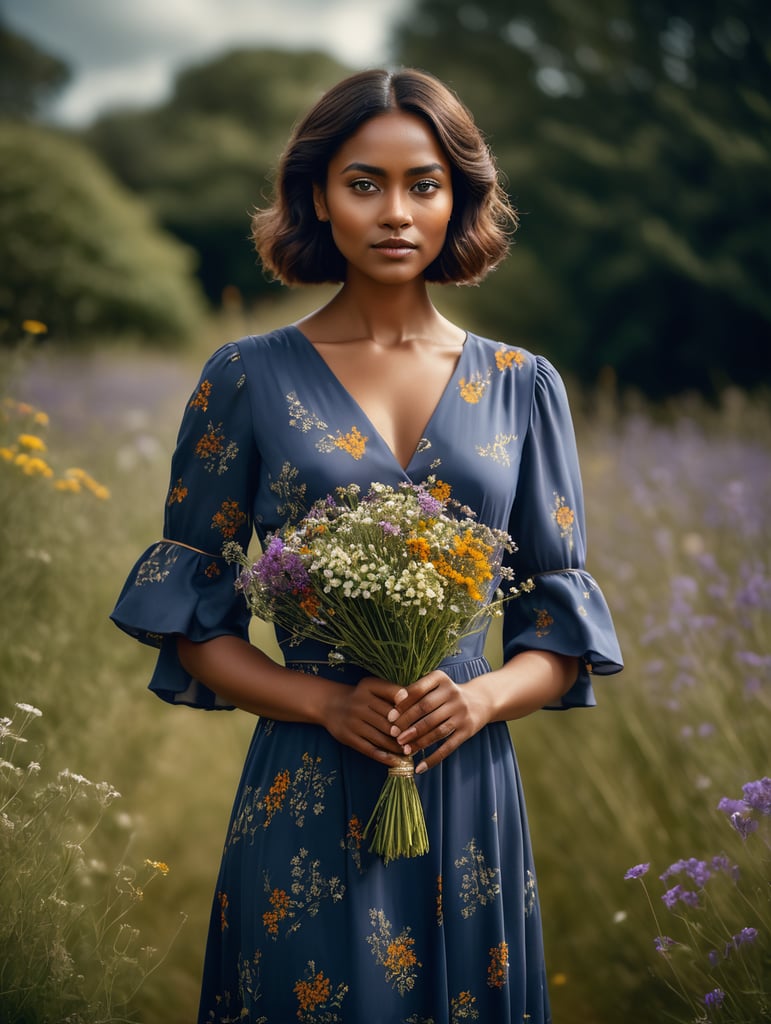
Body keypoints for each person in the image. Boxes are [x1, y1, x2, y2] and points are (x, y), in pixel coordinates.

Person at [111, 67, 623, 1024]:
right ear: (319, 195)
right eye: (364, 183)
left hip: (465, 787)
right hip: (305, 787)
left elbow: (559, 628)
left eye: (423, 184)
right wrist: (325, 701)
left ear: (456, 199)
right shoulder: (244, 378)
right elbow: (193, 620)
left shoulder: (523, 385)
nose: (395, 212)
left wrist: (476, 699)